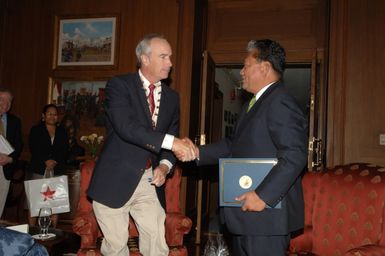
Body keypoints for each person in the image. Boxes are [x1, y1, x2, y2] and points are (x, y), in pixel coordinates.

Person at [180, 39, 308, 255]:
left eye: (246, 65)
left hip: (266, 219)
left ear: (265, 67)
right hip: (249, 219)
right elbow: (233, 145)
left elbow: (295, 155)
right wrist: (196, 152)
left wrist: (262, 196)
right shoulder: (255, 103)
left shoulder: (280, 101)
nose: (241, 71)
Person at [87, 33, 195, 256]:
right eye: (163, 57)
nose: (170, 63)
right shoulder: (119, 85)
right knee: (116, 246)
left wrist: (165, 167)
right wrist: (172, 142)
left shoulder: (172, 98)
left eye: (170, 57)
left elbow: (171, 135)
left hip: (149, 180)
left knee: (157, 243)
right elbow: (126, 127)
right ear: (145, 59)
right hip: (114, 178)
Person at [27, 104, 69, 226]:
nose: (52, 116)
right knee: (35, 204)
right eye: (49, 114)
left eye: (55, 114)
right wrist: (45, 161)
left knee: (55, 204)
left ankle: (53, 232)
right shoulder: (35, 130)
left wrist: (54, 161)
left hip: (57, 170)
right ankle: (31, 232)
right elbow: (34, 148)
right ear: (43, 116)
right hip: (39, 169)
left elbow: (65, 150)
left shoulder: (62, 132)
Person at [0, 87, 23, 218]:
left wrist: (10, 159)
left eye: (9, 101)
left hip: (5, 169)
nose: (5, 104)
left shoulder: (15, 121)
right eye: (2, 100)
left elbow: (18, 145)